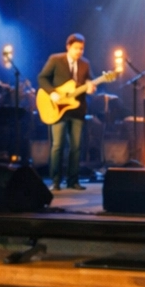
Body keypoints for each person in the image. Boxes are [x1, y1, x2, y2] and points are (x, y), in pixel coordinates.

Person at [36, 33, 95, 191]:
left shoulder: (85, 64)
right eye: (76, 48)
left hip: (77, 109)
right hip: (57, 108)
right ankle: (55, 181)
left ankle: (73, 181)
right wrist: (52, 93)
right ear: (68, 47)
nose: (79, 52)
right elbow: (42, 78)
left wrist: (91, 86)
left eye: (82, 49)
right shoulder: (55, 59)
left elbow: (90, 80)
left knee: (76, 147)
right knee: (58, 145)